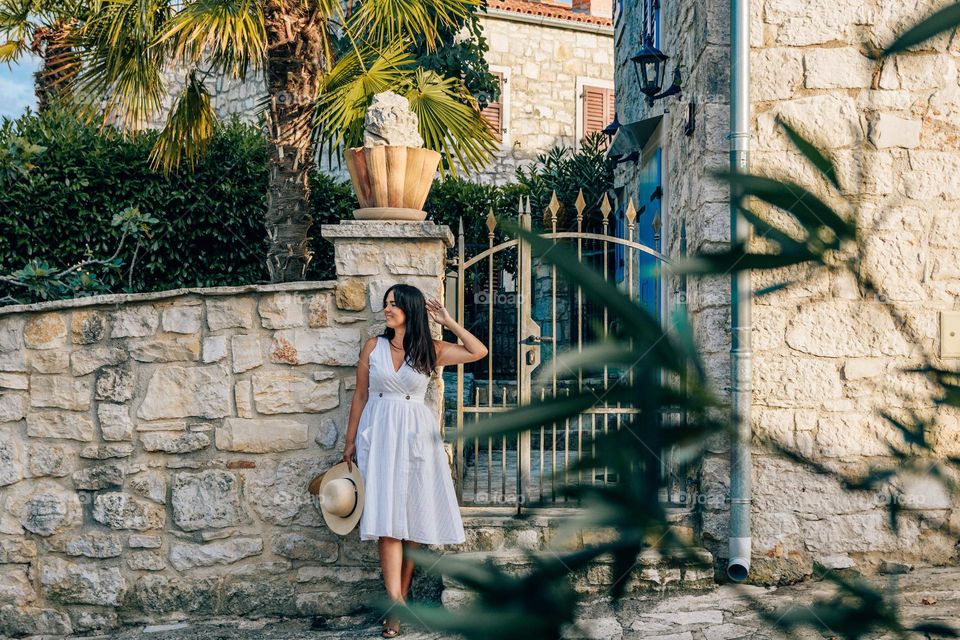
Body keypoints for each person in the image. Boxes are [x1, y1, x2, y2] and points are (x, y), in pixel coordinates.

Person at [341, 283, 487, 638]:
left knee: (415, 519)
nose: (387, 309)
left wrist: (449, 320)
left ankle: (400, 597)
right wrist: (349, 441)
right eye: (386, 304)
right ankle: (396, 605)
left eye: (394, 305)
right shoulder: (373, 347)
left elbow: (478, 351)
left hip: (417, 437)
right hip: (379, 433)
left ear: (410, 309)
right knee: (386, 520)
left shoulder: (430, 349)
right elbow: (360, 394)